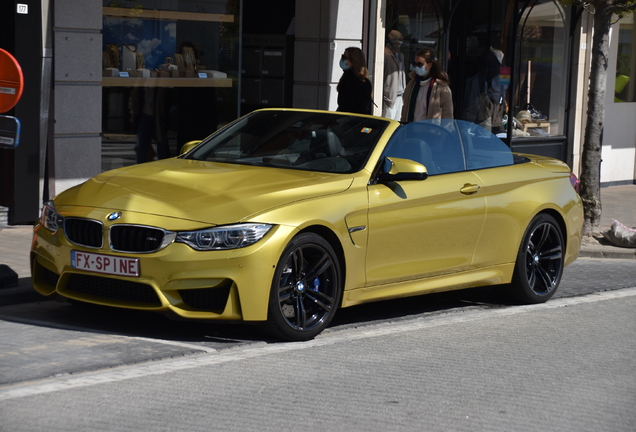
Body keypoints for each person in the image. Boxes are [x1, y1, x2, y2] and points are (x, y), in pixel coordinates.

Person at [401, 48, 453, 122]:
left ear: (429, 65)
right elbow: (405, 110)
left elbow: (448, 116)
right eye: (415, 64)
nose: (416, 67)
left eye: (420, 64)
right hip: (411, 129)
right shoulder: (412, 84)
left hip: (430, 131)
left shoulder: (441, 88)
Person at [336, 47, 373, 115]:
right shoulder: (346, 77)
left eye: (344, 57)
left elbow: (364, 109)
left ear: (353, 61)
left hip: (353, 122)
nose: (342, 60)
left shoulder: (361, 82)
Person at [383, 30, 406, 120]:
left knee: (398, 123)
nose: (399, 44)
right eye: (398, 41)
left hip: (400, 95)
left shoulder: (401, 55)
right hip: (390, 96)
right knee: (389, 122)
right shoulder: (385, 54)